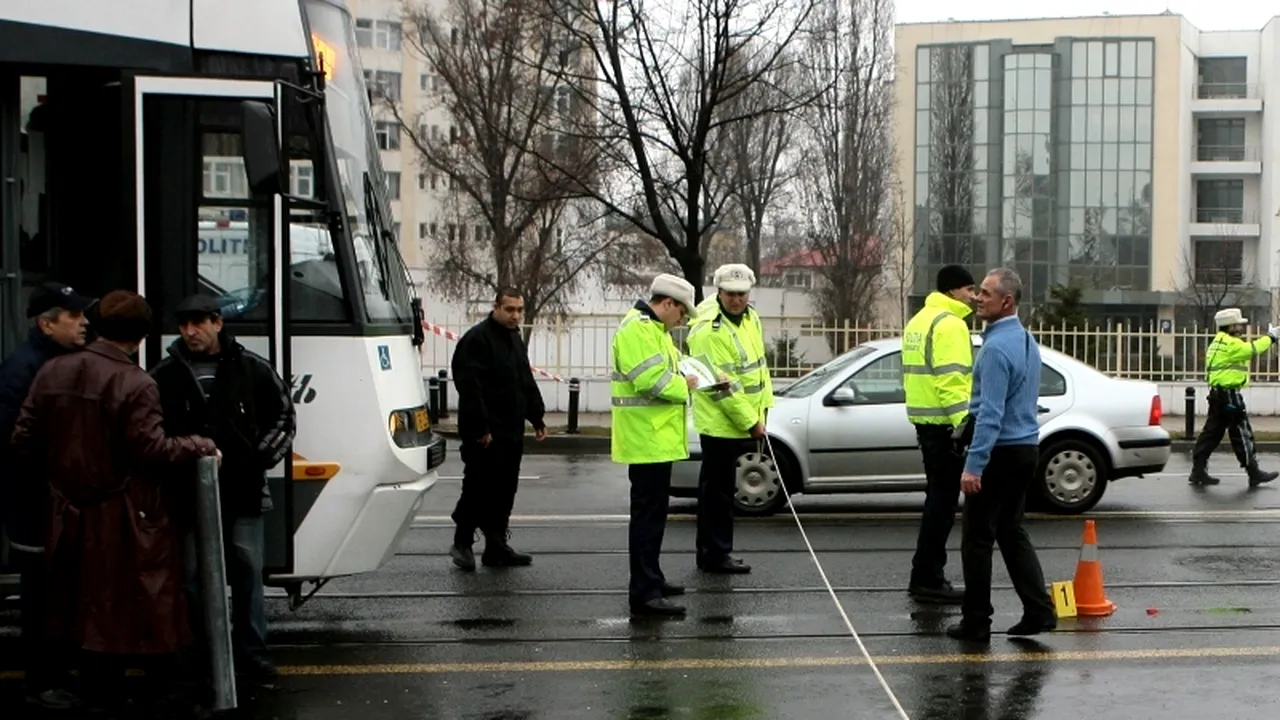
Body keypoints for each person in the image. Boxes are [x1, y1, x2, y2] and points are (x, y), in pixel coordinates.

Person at [10, 290, 220, 709]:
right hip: (124, 509)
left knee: (84, 600)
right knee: (139, 598)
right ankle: (158, 688)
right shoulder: (136, 382)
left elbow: (23, 438)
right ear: (141, 336)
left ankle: (95, 687)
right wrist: (200, 444)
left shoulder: (53, 371)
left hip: (67, 507)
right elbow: (152, 448)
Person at [150, 293, 295, 686]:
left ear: (218, 322)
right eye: (184, 325)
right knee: (193, 575)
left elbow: (284, 414)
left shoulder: (251, 368)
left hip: (243, 490)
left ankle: (252, 653)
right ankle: (205, 650)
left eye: (199, 322)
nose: (191, 331)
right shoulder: (165, 375)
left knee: (248, 571)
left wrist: (259, 458)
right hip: (187, 495)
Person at [946, 268, 1055, 643]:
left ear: (1006, 301)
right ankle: (1040, 611)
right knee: (1011, 530)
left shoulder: (994, 349)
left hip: (1001, 453)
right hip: (1026, 448)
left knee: (977, 539)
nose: (978, 298)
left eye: (987, 294)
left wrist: (974, 466)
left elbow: (989, 415)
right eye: (979, 292)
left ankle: (976, 622)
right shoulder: (1026, 340)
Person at [0, 281, 93, 709]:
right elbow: (18, 441)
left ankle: (56, 672)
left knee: (58, 592)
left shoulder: (54, 361)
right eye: (73, 315)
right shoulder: (26, 369)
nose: (84, 321)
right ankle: (40, 682)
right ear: (46, 323)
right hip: (35, 503)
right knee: (41, 594)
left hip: (50, 501)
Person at [612, 273, 698, 617]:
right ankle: (644, 592)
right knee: (647, 519)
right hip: (646, 439)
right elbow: (650, 381)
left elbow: (670, 370)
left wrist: (695, 377)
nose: (682, 322)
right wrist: (687, 385)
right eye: (682, 314)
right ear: (668, 304)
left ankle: (653, 578)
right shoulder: (637, 329)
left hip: (656, 438)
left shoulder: (653, 331)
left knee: (654, 517)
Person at [448, 287, 548, 570]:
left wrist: (537, 417)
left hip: (511, 429)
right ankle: (462, 543)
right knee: (478, 488)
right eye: (510, 309)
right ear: (496, 307)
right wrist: (481, 425)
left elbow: (524, 381)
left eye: (519, 310)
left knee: (504, 490)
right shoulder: (477, 339)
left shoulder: (515, 340)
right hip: (484, 432)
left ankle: (496, 547)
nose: (515, 315)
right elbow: (470, 386)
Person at [685, 263, 771, 575]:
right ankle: (714, 554)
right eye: (730, 294)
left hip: (741, 417)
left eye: (742, 294)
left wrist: (763, 410)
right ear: (719, 292)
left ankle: (713, 551)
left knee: (719, 490)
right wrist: (751, 421)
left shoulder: (750, 317)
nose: (736, 300)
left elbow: (758, 370)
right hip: (722, 422)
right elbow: (721, 386)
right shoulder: (710, 329)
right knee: (717, 493)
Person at [901, 265, 977, 605]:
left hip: (925, 422)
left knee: (937, 501)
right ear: (953, 291)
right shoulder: (950, 324)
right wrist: (966, 428)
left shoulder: (919, 320)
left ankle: (925, 574)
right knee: (942, 506)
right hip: (947, 427)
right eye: (969, 290)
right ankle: (929, 577)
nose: (974, 297)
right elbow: (951, 381)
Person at [1189, 308, 1280, 487]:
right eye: (1238, 324)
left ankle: (1198, 471)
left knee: (1211, 434)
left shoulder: (1217, 342)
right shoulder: (1231, 344)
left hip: (1217, 394)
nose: (1240, 327)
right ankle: (1253, 472)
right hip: (1229, 395)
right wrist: (1271, 337)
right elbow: (1252, 349)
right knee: (1241, 432)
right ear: (1230, 325)